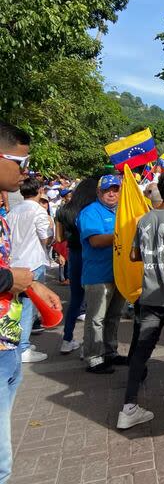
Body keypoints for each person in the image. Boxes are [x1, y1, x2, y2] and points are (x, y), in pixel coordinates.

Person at [0, 123, 61, 484]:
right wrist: (12, 280)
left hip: (6, 340)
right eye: (20, 161)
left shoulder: (7, 210)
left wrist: (32, 283)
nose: (26, 171)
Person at [117, 170, 164, 430]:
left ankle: (128, 407)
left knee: (140, 353)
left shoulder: (144, 219)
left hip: (148, 297)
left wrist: (153, 255)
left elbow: (133, 255)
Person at [78, 175, 126, 374]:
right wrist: (123, 235)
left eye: (115, 189)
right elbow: (96, 241)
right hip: (98, 275)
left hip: (119, 274)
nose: (112, 193)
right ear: (98, 192)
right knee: (96, 319)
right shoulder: (90, 212)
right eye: (107, 190)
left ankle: (110, 351)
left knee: (114, 317)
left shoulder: (122, 211)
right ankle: (94, 357)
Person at [7, 177, 54, 363]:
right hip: (33, 263)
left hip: (15, 264)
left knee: (19, 306)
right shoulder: (39, 212)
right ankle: (23, 347)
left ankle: (19, 341)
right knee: (28, 307)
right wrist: (51, 229)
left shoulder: (13, 212)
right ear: (40, 190)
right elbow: (46, 238)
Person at [55, 178, 98, 354]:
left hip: (74, 256)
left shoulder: (63, 211)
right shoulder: (92, 210)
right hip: (92, 256)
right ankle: (88, 346)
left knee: (75, 300)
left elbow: (58, 239)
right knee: (94, 304)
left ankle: (67, 339)